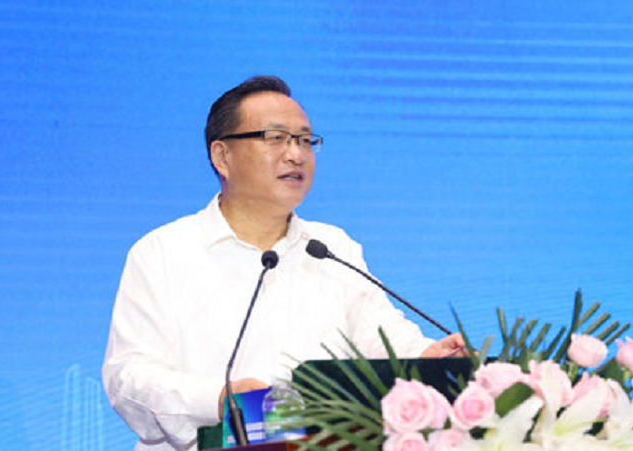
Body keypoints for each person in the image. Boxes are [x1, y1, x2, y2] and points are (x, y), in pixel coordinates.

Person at [102, 76, 466, 451]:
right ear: (222, 156)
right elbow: (128, 378)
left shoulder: (332, 248)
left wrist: (429, 358)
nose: (296, 154)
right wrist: (219, 398)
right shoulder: (163, 253)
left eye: (305, 140)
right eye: (275, 138)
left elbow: (379, 338)